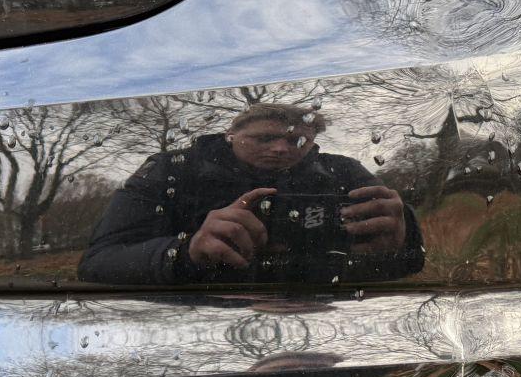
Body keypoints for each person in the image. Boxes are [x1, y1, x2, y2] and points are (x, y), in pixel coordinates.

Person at [77, 104, 425, 286]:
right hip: (191, 330)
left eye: (297, 140)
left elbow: (408, 261)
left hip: (327, 324)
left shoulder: (344, 171)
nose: (281, 149)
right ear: (231, 134)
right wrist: (186, 252)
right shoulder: (172, 169)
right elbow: (99, 262)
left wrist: (403, 235)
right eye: (264, 138)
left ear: (312, 142)